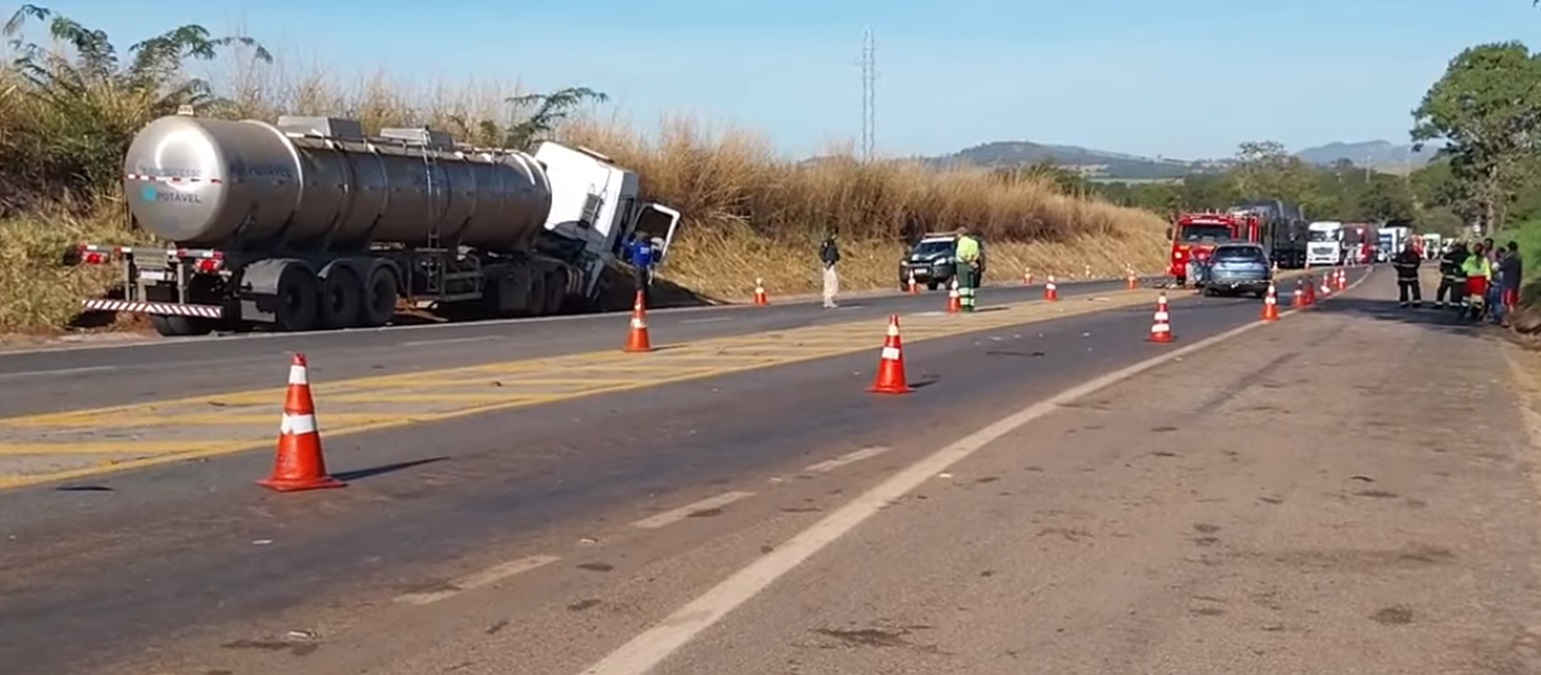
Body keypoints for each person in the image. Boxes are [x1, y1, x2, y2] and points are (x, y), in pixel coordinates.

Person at [1461, 241, 1493, 322]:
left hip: (1471, 279)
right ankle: (1475, 315)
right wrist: (1488, 280)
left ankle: (1462, 312)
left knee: (1466, 297)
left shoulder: (1470, 259)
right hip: (1481, 280)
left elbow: (1464, 268)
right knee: (1478, 299)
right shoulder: (1485, 260)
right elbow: (1487, 270)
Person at [954, 227, 982, 312]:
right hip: (972, 265)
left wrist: (968, 261)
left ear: (961, 234)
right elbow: (977, 254)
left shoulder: (962, 242)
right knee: (970, 286)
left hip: (962, 265)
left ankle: (965, 306)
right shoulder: (974, 242)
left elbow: (961, 254)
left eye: (957, 234)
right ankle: (971, 305)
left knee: (963, 286)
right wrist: (972, 261)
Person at [627, 232, 657, 305]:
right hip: (645, 268)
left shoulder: (638, 246)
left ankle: (640, 301)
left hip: (638, 267)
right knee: (644, 284)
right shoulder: (649, 249)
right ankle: (647, 301)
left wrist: (626, 239)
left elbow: (628, 246)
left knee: (639, 285)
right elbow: (651, 259)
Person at [1435, 241, 1467, 309]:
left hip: (1448, 276)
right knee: (1455, 292)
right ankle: (1454, 305)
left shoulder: (1448, 255)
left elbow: (1442, 266)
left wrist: (1443, 271)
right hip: (1457, 277)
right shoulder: (1466, 256)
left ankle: (1439, 304)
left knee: (1442, 290)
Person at [1500, 241, 1524, 327]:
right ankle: (1513, 321)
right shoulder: (1518, 258)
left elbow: (1502, 267)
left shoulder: (1510, 258)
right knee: (1512, 303)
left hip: (1508, 283)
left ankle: (1509, 321)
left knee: (1507, 303)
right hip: (1515, 283)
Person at [1391, 242, 1422, 308]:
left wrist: (1401, 269)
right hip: (1405, 276)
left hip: (1411, 276)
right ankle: (1404, 303)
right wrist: (1401, 270)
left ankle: (1416, 302)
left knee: (1415, 290)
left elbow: (1417, 264)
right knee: (1404, 290)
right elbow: (1395, 263)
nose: (1409, 248)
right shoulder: (1402, 255)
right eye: (1408, 246)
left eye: (1410, 246)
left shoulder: (1414, 255)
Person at [819, 232, 841, 309]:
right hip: (828, 265)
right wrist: (827, 261)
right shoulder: (828, 244)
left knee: (832, 282)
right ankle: (828, 300)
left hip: (831, 264)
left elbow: (835, 254)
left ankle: (828, 299)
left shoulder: (832, 244)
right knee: (830, 282)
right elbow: (823, 253)